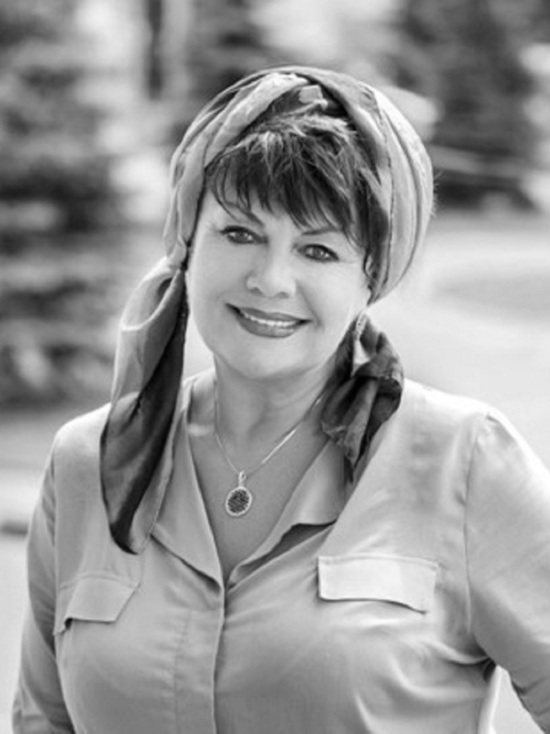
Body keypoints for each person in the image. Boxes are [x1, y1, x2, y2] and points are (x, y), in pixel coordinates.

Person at [12, 66, 550, 733]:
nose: (271, 280)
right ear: (187, 245)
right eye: (240, 233)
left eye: (317, 250)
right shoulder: (87, 464)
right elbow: (43, 719)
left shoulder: (465, 463)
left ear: (371, 277)